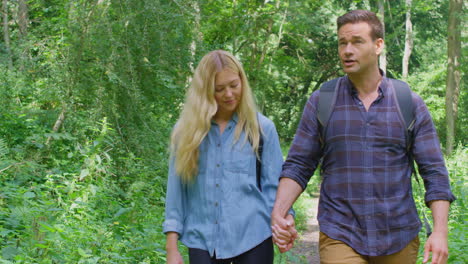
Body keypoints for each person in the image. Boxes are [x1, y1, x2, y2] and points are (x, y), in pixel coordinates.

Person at [271, 10, 456, 264]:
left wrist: (440, 231)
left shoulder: (409, 103)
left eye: (357, 41)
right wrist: (280, 213)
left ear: (378, 45)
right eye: (342, 43)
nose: (347, 50)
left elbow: (434, 171)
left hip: (399, 236)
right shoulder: (323, 101)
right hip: (340, 233)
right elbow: (299, 164)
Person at [163, 50, 294, 264]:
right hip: (202, 241)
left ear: (242, 81)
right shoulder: (185, 133)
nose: (229, 94)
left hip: (254, 239)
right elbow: (176, 191)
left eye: (234, 85)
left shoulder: (262, 129)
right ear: (204, 92)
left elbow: (275, 189)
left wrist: (285, 221)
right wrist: (172, 247)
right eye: (219, 89)